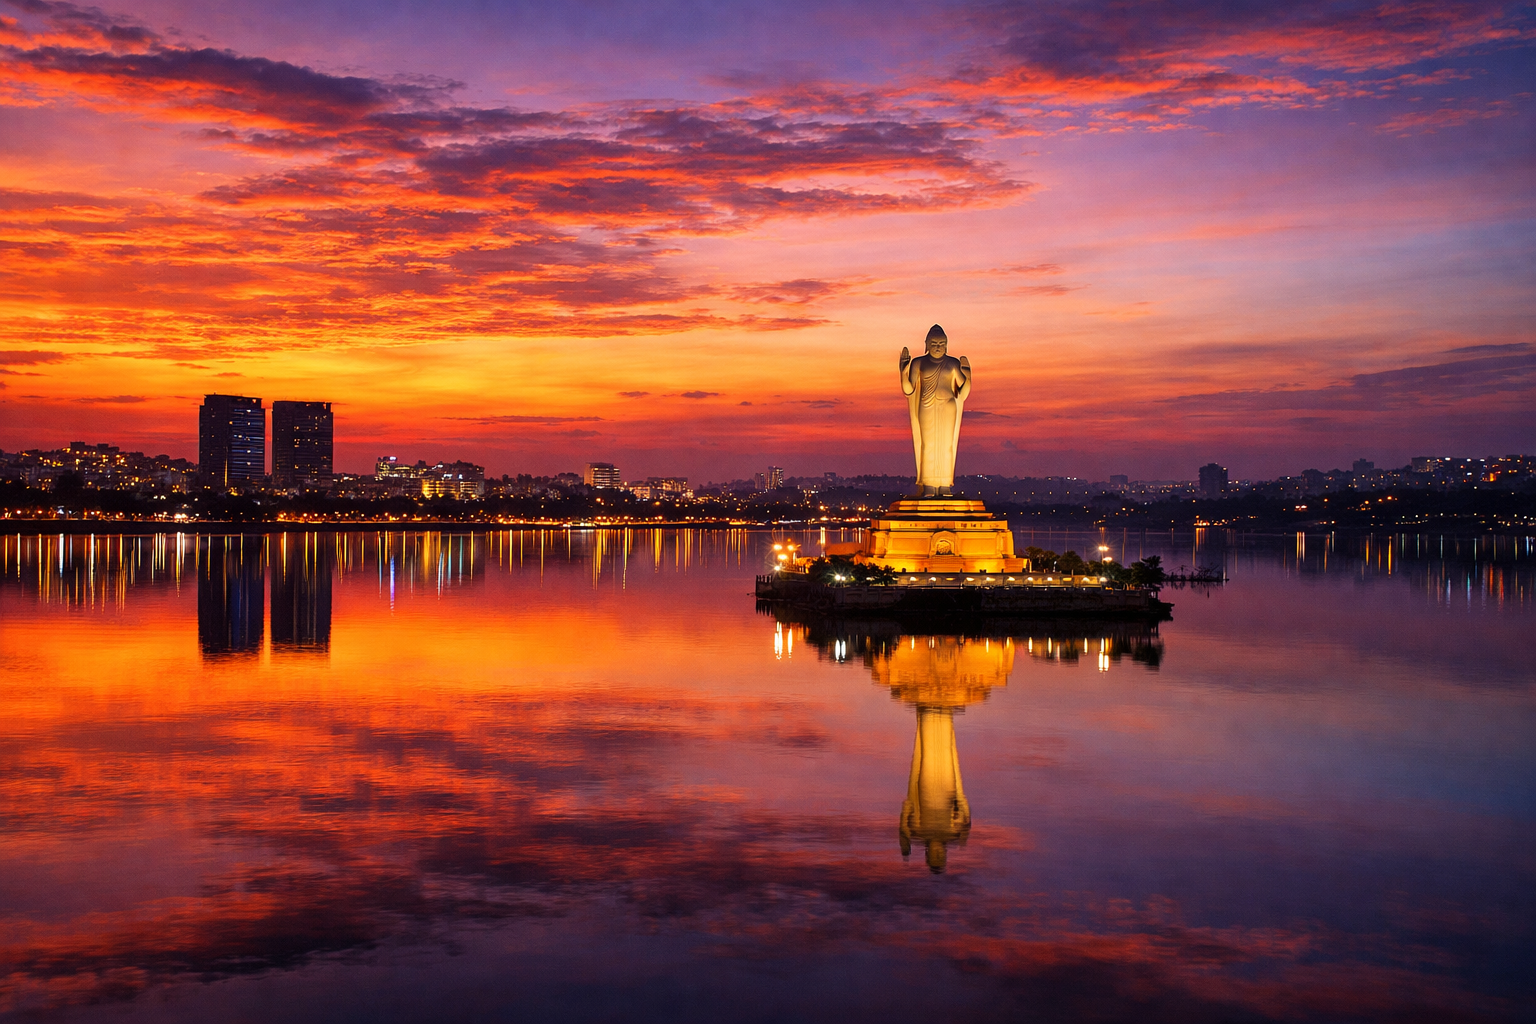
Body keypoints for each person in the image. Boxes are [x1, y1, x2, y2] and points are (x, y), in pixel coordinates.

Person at [899, 324, 971, 497]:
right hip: (926, 406)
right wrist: (903, 372)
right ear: (927, 344)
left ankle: (945, 484)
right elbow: (909, 390)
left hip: (947, 406)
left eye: (941, 343)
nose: (938, 347)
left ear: (946, 345)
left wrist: (968, 377)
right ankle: (929, 484)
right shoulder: (919, 362)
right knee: (928, 446)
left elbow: (963, 392)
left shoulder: (952, 363)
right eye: (934, 344)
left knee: (946, 446)